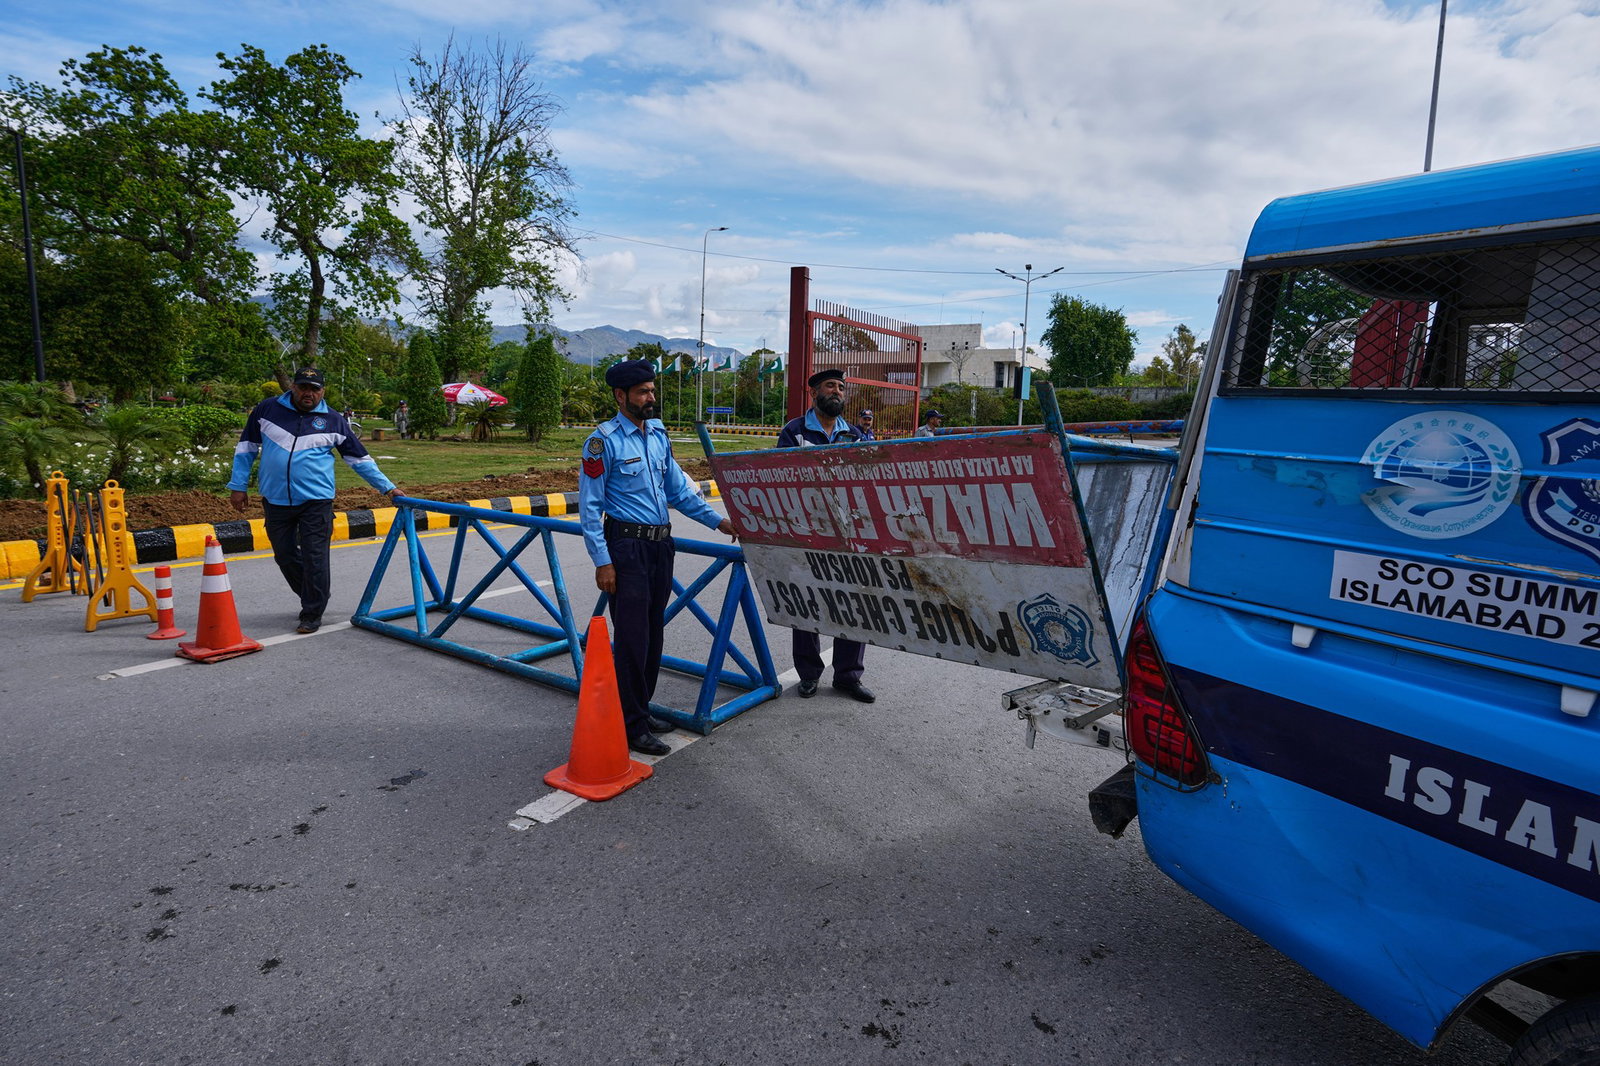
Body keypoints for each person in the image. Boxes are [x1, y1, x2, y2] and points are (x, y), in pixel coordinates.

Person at [579, 359, 738, 757]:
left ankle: (641, 709)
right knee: (632, 639)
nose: (652, 397)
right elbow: (589, 507)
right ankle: (631, 724)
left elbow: (678, 491)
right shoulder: (603, 441)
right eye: (643, 392)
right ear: (621, 396)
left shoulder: (658, 435)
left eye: (652, 390)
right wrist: (603, 561)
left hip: (660, 546)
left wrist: (717, 522)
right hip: (627, 548)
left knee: (652, 634)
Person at [228, 368, 404, 634]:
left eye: (315, 389)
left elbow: (359, 460)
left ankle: (312, 611)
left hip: (316, 501)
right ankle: (315, 593)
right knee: (284, 555)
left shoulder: (333, 420)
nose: (308, 393)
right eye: (303, 387)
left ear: (323, 391)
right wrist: (238, 485)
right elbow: (246, 449)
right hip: (275, 500)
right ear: (293, 388)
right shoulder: (267, 409)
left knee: (315, 557)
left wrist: (388, 488)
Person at [776, 368, 874, 703]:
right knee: (806, 603)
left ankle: (848, 676)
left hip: (848, 533)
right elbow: (780, 479)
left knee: (855, 603)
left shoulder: (856, 435)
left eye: (841, 387)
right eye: (830, 386)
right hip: (806, 532)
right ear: (814, 393)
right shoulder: (795, 431)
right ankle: (808, 674)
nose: (837, 392)